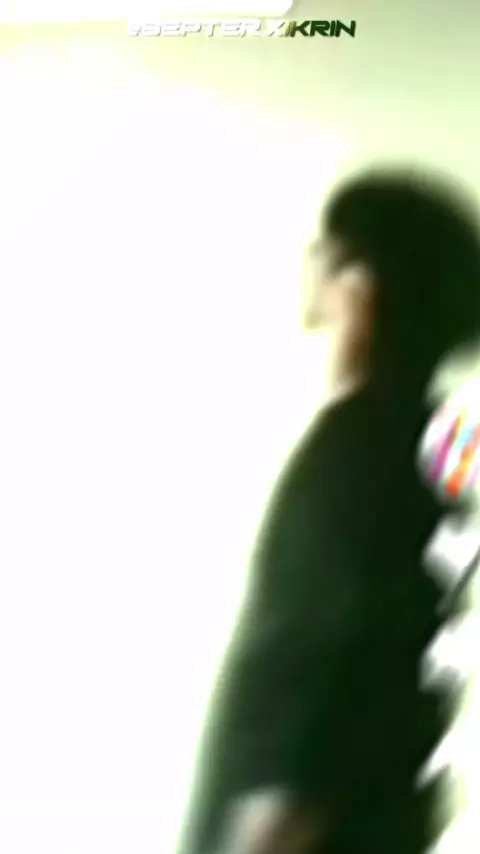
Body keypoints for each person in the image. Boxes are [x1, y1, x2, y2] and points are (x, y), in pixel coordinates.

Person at [177, 167, 480, 854]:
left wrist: (266, 838)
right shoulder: (440, 448)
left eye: (324, 256)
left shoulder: (357, 449)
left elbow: (323, 669)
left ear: (358, 290)